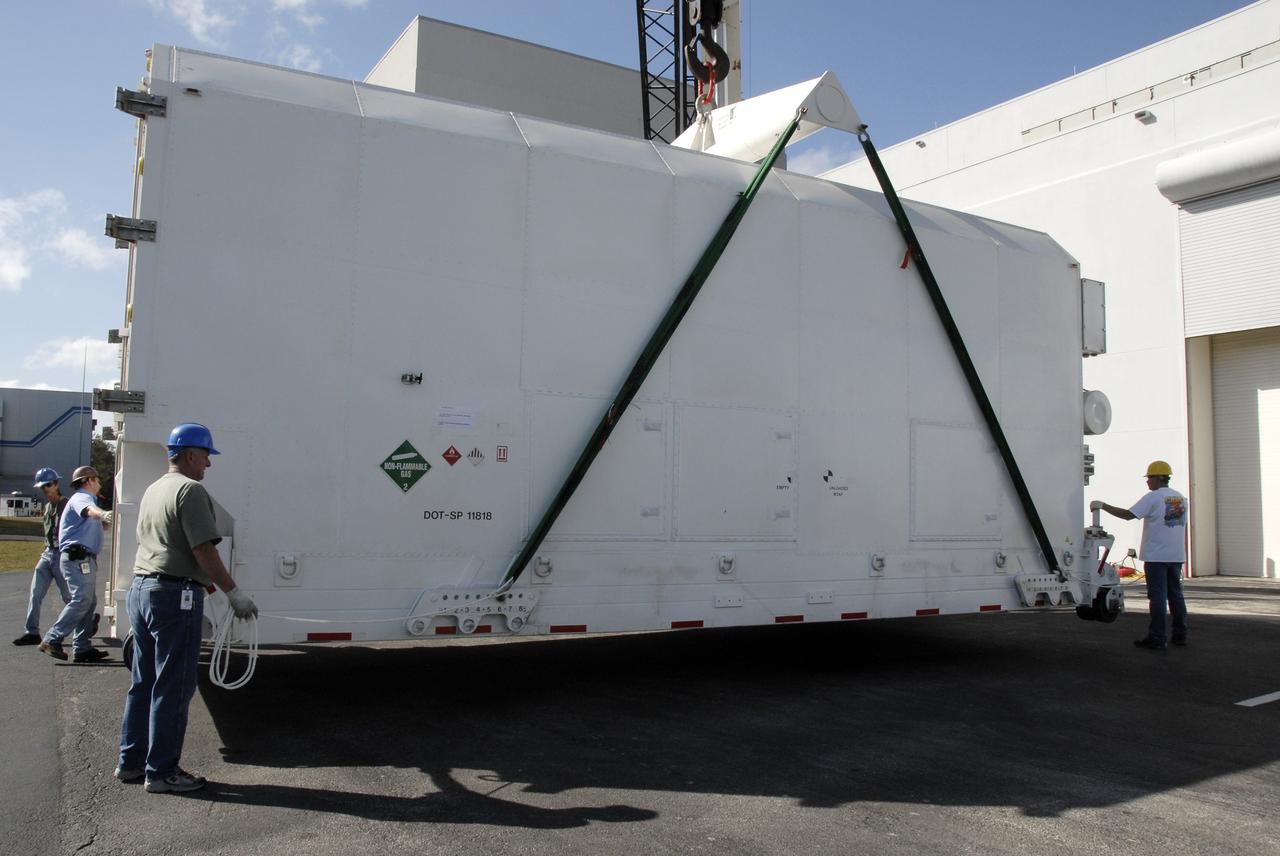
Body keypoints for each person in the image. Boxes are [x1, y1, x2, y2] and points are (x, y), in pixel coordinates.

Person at [116, 422, 257, 794]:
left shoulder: (155, 488)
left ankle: (131, 762)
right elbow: (202, 548)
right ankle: (162, 771)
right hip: (173, 596)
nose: (209, 464)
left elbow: (171, 544)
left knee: (144, 682)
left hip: (143, 589)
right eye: (207, 455)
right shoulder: (191, 490)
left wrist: (203, 580)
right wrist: (233, 592)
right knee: (174, 685)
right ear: (191, 455)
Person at [1091, 460, 1189, 650]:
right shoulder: (1179, 498)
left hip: (1156, 556)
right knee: (1176, 595)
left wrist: (1103, 505)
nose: (1147, 482)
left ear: (1157, 478)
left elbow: (1129, 515)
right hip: (1176, 555)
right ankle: (1180, 634)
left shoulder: (1153, 497)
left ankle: (1157, 637)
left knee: (1158, 597)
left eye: (1149, 478)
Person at [39, 466, 112, 662]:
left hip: (82, 558)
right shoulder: (82, 497)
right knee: (82, 599)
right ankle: (52, 639)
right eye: (97, 479)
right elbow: (89, 511)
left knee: (89, 602)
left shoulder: (87, 499)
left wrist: (107, 520)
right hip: (78, 558)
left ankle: (82, 648)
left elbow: (94, 521)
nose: (99, 483)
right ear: (89, 480)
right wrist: (103, 514)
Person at [12, 468, 71, 646]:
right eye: (42, 486)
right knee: (35, 593)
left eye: (48, 485)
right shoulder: (47, 507)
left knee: (68, 597)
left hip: (62, 555)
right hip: (47, 554)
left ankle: (87, 623)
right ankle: (32, 632)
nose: (45, 489)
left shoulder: (67, 505)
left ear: (57, 484)